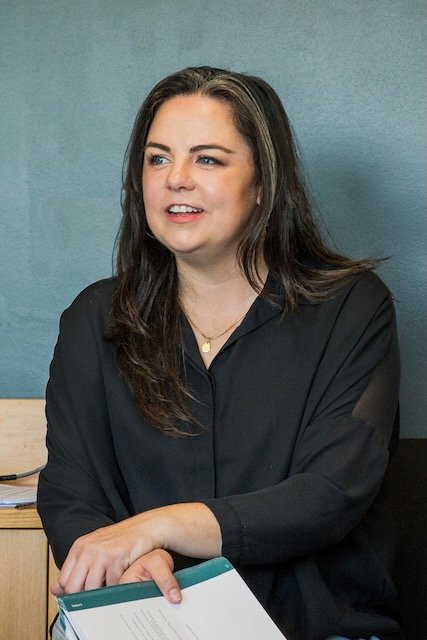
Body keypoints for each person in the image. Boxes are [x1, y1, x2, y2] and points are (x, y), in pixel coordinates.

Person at [37, 66, 402, 640]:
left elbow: (331, 493)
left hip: (309, 626)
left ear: (263, 185)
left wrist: (156, 528)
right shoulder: (94, 319)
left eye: (207, 159)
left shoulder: (352, 308)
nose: (176, 179)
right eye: (158, 159)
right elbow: (69, 490)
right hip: (144, 620)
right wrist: (129, 562)